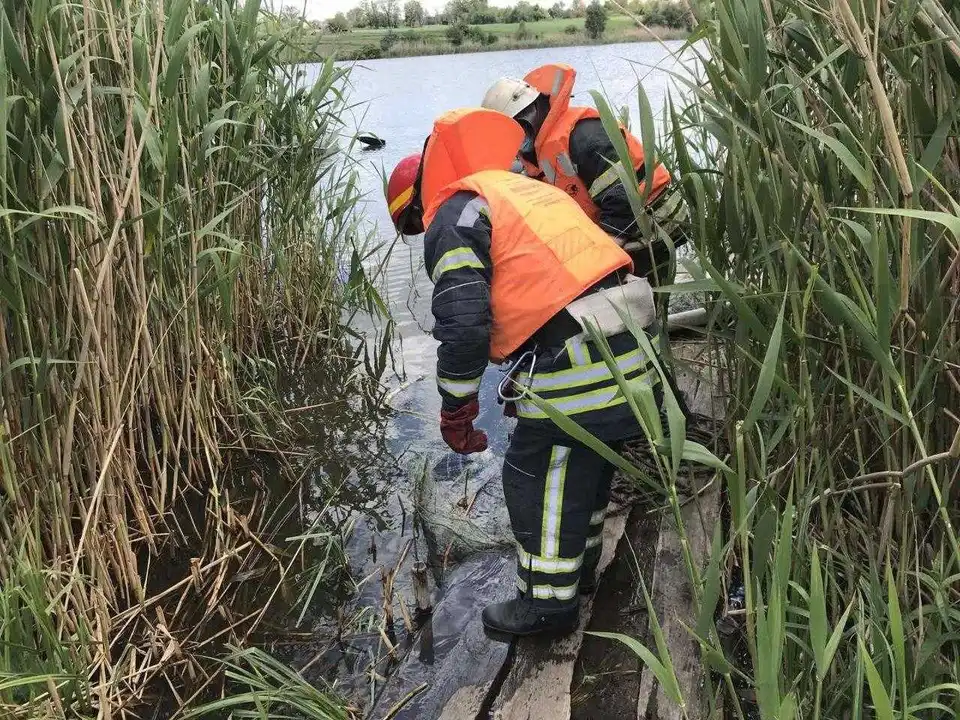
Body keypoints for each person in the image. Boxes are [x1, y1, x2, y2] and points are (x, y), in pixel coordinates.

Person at [385, 108, 665, 641]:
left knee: (535, 472)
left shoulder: (453, 213)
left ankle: (546, 606)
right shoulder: (517, 188)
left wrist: (458, 406)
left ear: (417, 203)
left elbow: (464, 323)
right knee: (582, 468)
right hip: (630, 344)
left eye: (412, 224)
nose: (421, 231)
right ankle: (577, 576)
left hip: (583, 354)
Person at [481, 63, 688, 288]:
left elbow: (623, 197)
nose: (517, 138)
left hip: (654, 227)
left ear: (533, 112)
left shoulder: (585, 138)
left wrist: (603, 254)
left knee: (641, 300)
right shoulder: (538, 154)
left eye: (516, 127)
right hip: (624, 229)